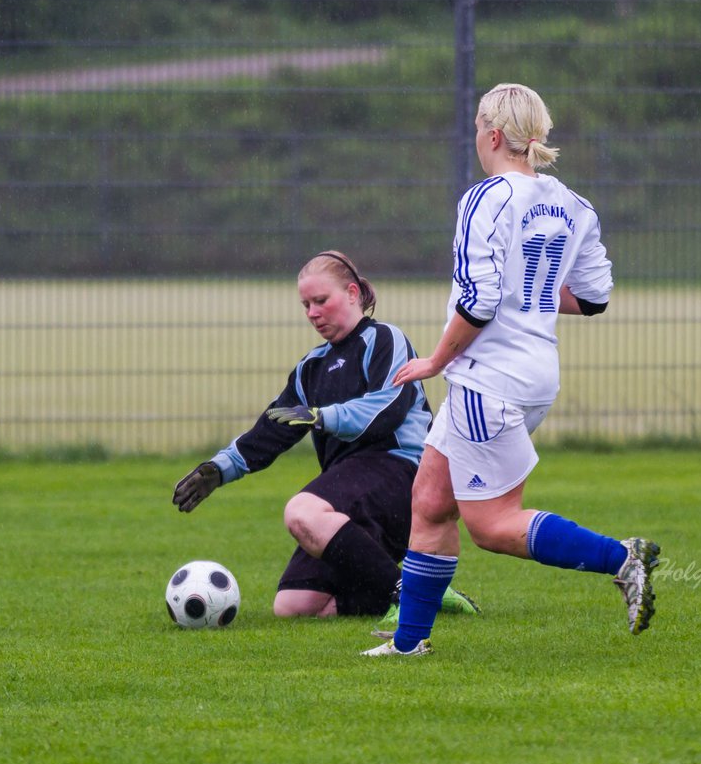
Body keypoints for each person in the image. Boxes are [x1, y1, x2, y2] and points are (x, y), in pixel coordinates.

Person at [362, 84, 660, 657]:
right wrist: (536, 295)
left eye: (478, 127)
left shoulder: (486, 198)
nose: (475, 137)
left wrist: (434, 360)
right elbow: (594, 298)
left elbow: (478, 301)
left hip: (488, 375)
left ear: (494, 135)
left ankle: (623, 558)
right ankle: (408, 644)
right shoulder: (574, 205)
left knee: (493, 526)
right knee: (429, 501)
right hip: (533, 374)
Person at [172, 250, 480, 622]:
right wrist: (219, 470)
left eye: (321, 301)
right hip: (350, 499)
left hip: (401, 476)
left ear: (352, 293)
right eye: (305, 305)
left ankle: (409, 595)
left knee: (301, 512)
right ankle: (424, 592)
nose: (312, 313)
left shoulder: (385, 339)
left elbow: (384, 413)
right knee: (295, 606)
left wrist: (320, 416)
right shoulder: (310, 368)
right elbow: (270, 429)